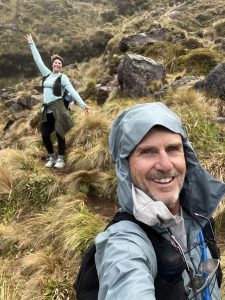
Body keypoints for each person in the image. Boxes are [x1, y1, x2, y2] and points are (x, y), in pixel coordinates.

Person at [94, 102, 225, 299]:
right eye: (147, 151)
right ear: (124, 165)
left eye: (173, 149)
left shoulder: (200, 217)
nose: (165, 164)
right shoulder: (124, 244)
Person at [24, 33, 89, 169]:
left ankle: (61, 159)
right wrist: (32, 44)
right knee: (45, 135)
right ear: (52, 65)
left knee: (60, 133)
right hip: (47, 109)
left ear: (61, 66)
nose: (57, 64)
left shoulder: (63, 77)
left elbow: (72, 91)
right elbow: (38, 60)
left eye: (59, 63)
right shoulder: (47, 75)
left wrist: (83, 105)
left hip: (59, 108)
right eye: (55, 63)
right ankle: (51, 157)